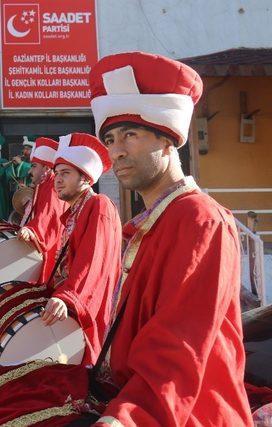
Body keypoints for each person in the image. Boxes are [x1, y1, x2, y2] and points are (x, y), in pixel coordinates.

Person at [87, 52, 251, 425]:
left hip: (188, 413)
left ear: (168, 141)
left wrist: (125, 418)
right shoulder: (153, 222)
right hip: (139, 398)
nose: (117, 151)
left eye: (131, 134)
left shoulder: (200, 219)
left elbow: (180, 342)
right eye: (110, 139)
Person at [40, 132, 122, 366]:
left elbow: (92, 262)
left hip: (87, 304)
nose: (57, 179)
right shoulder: (73, 212)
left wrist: (68, 297)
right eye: (56, 173)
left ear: (85, 178)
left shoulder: (99, 204)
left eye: (65, 173)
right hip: (71, 301)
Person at [16, 137, 68, 284]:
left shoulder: (52, 185)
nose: (30, 171)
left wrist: (32, 231)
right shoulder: (44, 184)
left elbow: (51, 217)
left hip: (52, 248)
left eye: (33, 166)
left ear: (46, 168)